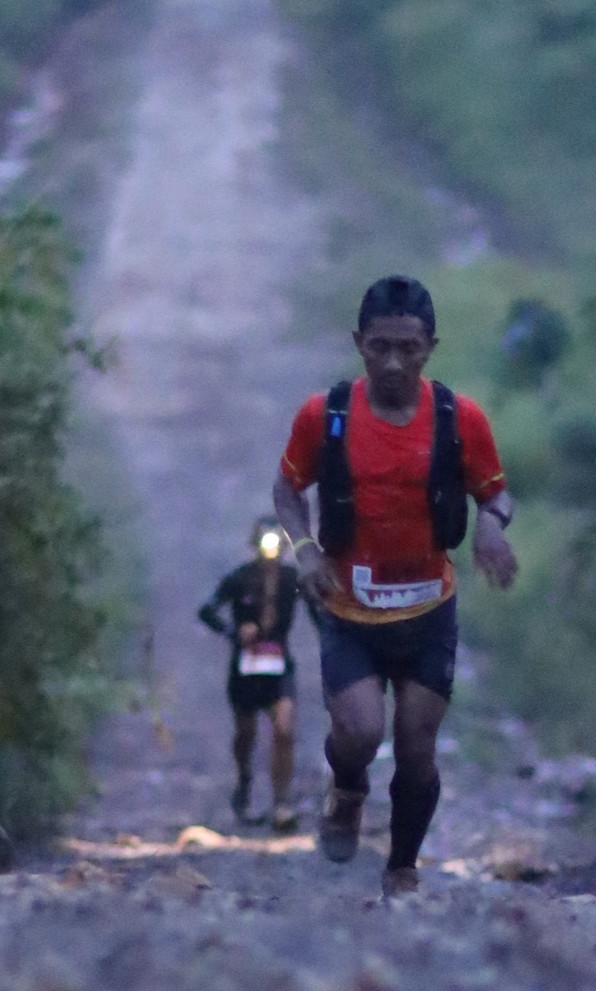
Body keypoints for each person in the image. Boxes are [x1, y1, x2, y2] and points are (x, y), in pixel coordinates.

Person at [269, 274, 516, 891]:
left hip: (428, 613)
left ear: (431, 347)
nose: (394, 362)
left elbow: (495, 492)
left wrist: (491, 526)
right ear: (359, 343)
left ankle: (402, 867)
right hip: (348, 612)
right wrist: (305, 551)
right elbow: (287, 489)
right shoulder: (324, 416)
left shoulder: (459, 418)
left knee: (415, 747)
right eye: (380, 347)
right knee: (360, 733)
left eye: (409, 348)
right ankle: (347, 789)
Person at [198, 522, 302, 829]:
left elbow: (319, 609)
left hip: (279, 665)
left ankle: (281, 802)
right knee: (246, 732)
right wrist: (233, 632)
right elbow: (207, 611)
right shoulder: (240, 578)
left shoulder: (292, 580)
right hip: (245, 667)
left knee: (284, 728)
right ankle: (244, 782)